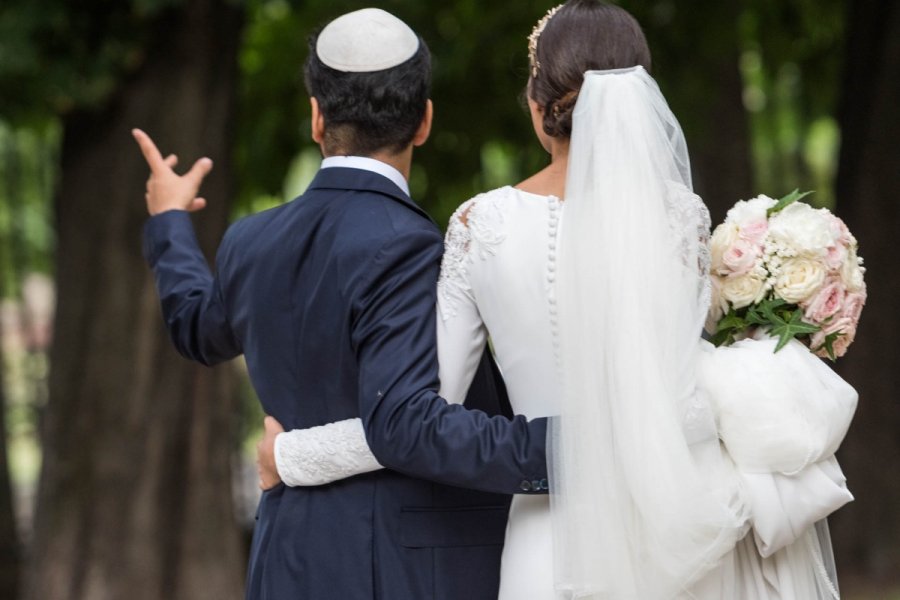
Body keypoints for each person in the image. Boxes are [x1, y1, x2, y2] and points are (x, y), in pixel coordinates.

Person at [259, 1, 855, 598]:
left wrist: (294, 455)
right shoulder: (682, 218)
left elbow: (418, 416)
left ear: (540, 106)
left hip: (548, 537)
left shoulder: (480, 224)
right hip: (681, 523)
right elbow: (678, 386)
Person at [134, 8, 552, 600]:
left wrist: (169, 222)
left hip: (284, 561)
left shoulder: (250, 242)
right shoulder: (410, 243)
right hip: (399, 570)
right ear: (425, 120)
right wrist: (572, 451)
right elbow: (408, 425)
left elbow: (195, 328)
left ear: (316, 116)